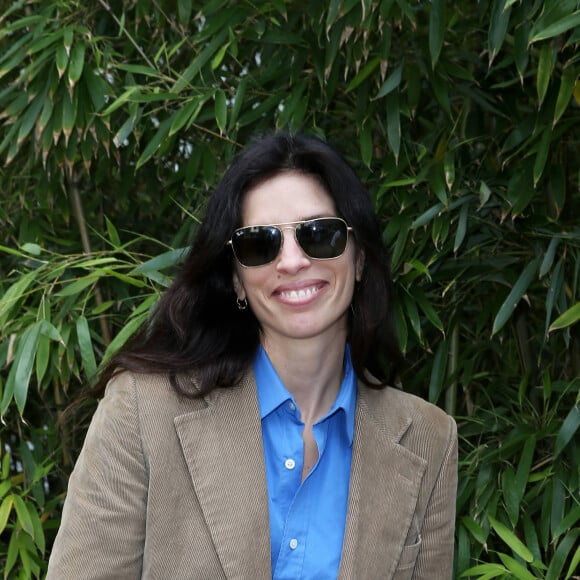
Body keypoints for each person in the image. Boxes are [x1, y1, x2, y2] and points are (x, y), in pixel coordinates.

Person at [47, 132, 457, 579]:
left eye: (319, 235)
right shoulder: (142, 413)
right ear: (238, 280)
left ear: (359, 260)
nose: (292, 261)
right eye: (261, 243)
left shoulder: (427, 439)